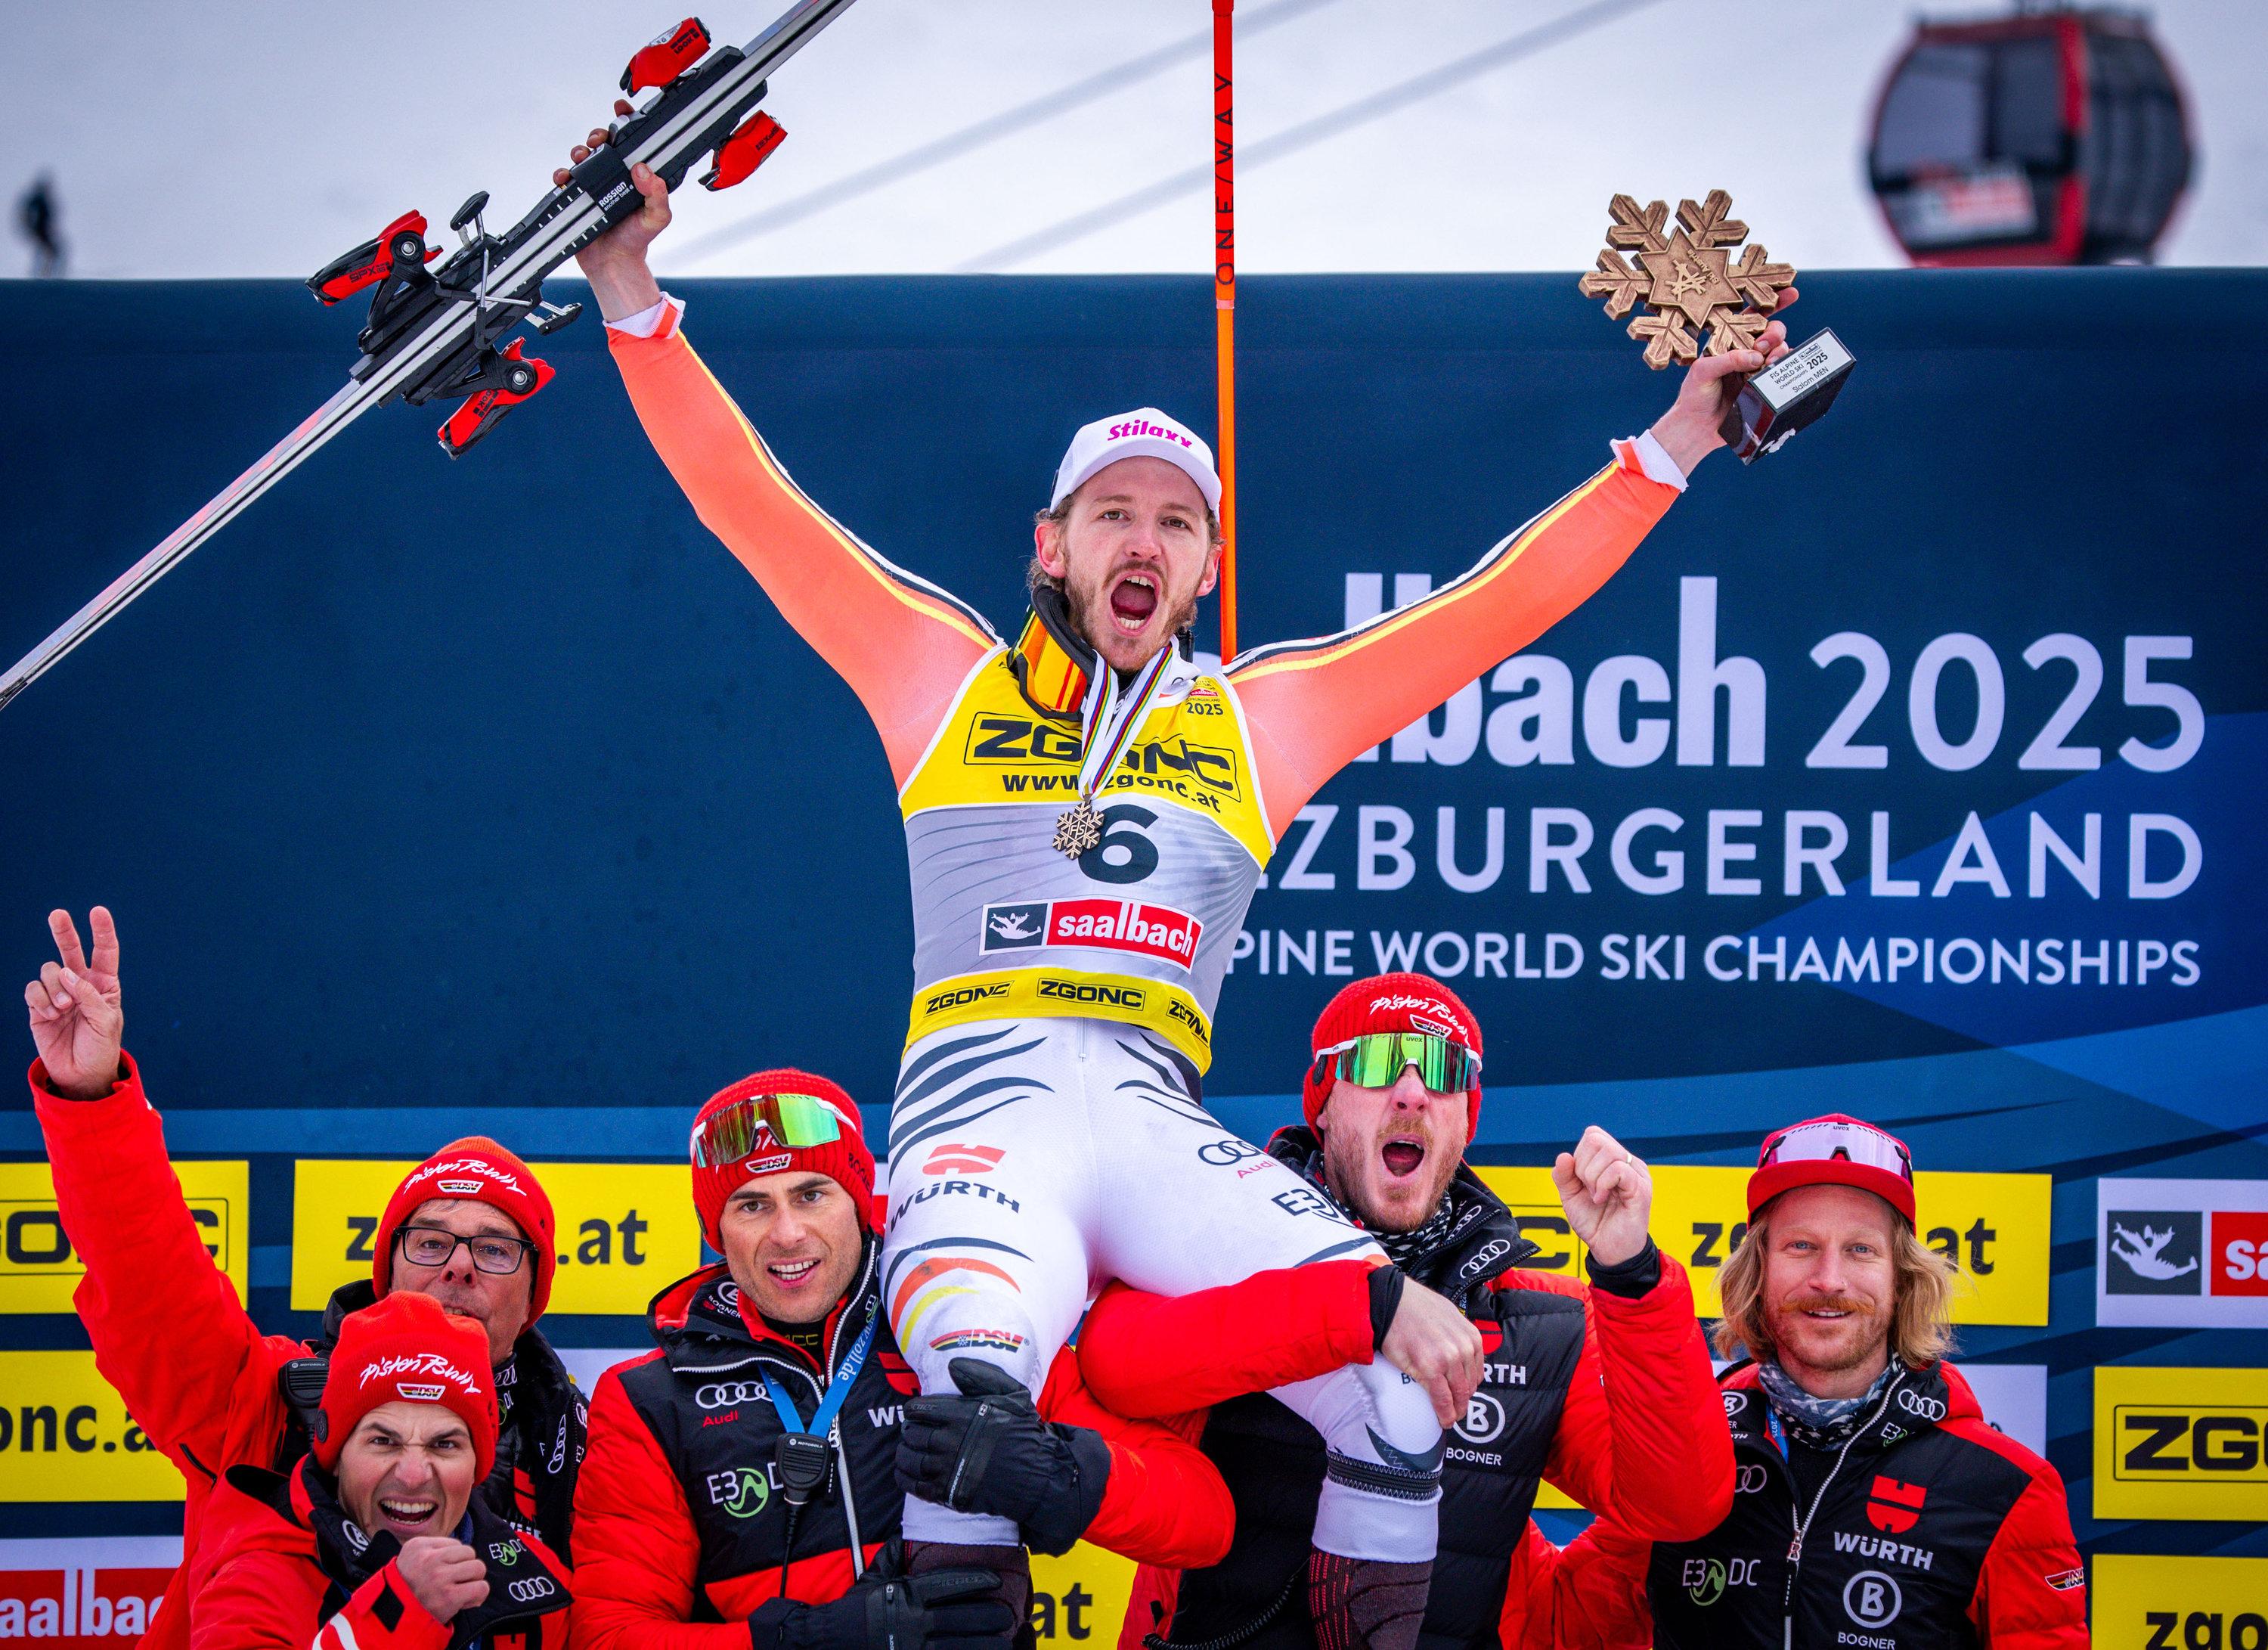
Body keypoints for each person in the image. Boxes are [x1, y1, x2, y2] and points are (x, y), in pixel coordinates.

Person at [559, 121, 1797, 1649]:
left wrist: (1671, 443)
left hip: (1152, 1116)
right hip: (984, 1106)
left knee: (1414, 1383)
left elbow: (1497, 608)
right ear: (1055, 543)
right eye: (1113, 514)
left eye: (1175, 520)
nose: (1142, 539)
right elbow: (752, 505)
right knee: (968, 1366)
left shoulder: (1259, 715)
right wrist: (630, 288)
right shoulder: (940, 677)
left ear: (1205, 564)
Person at [1019, 974, 1730, 1650]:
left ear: (1466, 1120)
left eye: (1445, 1071)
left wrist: (1631, 1275)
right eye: (1379, 1060)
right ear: (1323, 1104)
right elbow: (1117, 1364)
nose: (1412, 1093)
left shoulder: (1544, 1321)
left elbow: (1677, 1506)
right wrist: (1361, 1306)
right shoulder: (1220, 1252)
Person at [23, 907, 585, 1648]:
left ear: (533, 1296)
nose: (457, 1263)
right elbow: (149, 1282)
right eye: (430, 1240)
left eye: (494, 1248)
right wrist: (95, 1103)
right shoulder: (270, 1405)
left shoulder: (586, 1447)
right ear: (383, 1272)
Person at [571, 1069, 1238, 1650]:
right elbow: (609, 1636)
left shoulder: (963, 1322)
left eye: (811, 1195)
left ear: (860, 1204)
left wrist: (1054, 1474)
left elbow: (1204, 1519)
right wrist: (807, 1641)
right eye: (751, 1206)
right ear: (716, 1232)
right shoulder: (653, 1399)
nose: (787, 1234)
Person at [1551, 1113, 2087, 1648]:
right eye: (1800, 1246)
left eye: (1861, 1250)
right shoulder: (1686, 1455)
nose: (1829, 1280)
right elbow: (1562, 1624)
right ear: (1758, 1271)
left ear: (1903, 1279)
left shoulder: (2007, 1488)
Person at [179, 1290, 572, 1650]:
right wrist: (398, 1614)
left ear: (477, 1466)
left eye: (445, 1444)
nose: (414, 1475)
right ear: (336, 1457)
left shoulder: (537, 1580)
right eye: (383, 1441)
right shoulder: (255, 1584)